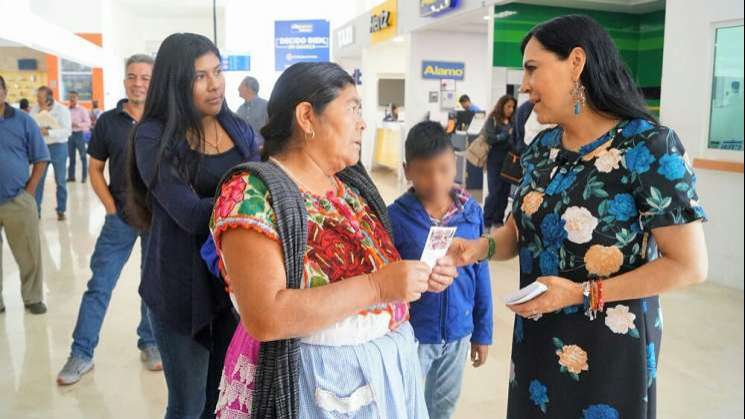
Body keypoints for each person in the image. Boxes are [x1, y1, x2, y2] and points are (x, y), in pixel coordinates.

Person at [446, 15, 709, 419]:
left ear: (576, 62)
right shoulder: (542, 148)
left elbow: (689, 266)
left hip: (610, 346)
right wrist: (481, 247)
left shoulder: (650, 146)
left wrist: (581, 294)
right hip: (537, 337)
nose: (526, 84)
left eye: (533, 68)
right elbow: (520, 228)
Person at [204, 62, 458, 417]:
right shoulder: (252, 192)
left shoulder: (350, 184)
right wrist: (378, 287)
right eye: (352, 108)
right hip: (319, 388)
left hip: (387, 376)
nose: (363, 122)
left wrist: (417, 276)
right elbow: (266, 316)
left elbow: (377, 267)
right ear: (307, 117)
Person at [128, 33, 260, 419]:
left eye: (217, 71)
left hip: (230, 285)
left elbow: (262, 186)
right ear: (176, 82)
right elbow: (188, 213)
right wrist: (245, 205)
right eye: (200, 76)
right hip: (179, 290)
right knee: (187, 405)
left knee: (221, 400)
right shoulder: (153, 135)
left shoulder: (238, 128)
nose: (215, 83)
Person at [57, 54, 161, 386]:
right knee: (100, 285)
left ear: (154, 81)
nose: (138, 83)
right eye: (132, 76)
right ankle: (81, 352)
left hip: (158, 219)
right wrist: (110, 208)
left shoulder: (163, 119)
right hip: (121, 218)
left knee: (152, 286)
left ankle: (150, 341)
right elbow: (95, 169)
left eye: (145, 77)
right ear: (124, 81)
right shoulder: (108, 122)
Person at [388, 121, 493, 419]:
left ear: (455, 164)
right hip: (413, 333)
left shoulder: (472, 214)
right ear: (407, 170)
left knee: (442, 407)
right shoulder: (395, 218)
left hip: (458, 333)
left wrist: (482, 332)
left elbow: (480, 274)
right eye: (423, 171)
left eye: (444, 169)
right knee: (404, 405)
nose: (435, 180)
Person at [0, 75, 49, 315]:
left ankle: (32, 297)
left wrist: (29, 192)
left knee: (29, 252)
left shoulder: (23, 121)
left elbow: (41, 157)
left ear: (5, 92)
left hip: (17, 199)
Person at [31, 85, 71, 220]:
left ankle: (61, 210)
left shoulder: (62, 110)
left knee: (60, 181)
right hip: (41, 148)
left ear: (49, 98)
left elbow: (67, 131)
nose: (38, 100)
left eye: (40, 97)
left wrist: (48, 131)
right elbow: (30, 125)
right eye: (37, 97)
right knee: (38, 180)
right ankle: (36, 210)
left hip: (59, 147)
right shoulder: (35, 108)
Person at [482, 95, 517, 229]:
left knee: (504, 191)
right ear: (501, 106)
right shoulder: (493, 119)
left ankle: (498, 219)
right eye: (508, 106)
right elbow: (489, 138)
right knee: (494, 191)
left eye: (512, 107)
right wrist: (505, 135)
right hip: (495, 160)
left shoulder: (513, 121)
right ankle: (486, 221)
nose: (510, 109)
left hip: (508, 161)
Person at [236, 75, 268, 148]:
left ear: (249, 89)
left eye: (241, 86)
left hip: (262, 153)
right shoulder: (240, 110)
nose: (238, 89)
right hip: (245, 152)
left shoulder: (266, 106)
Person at [67, 90, 92, 183]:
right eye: (70, 97)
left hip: (79, 134)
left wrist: (78, 124)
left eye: (73, 97)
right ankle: (71, 177)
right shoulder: (66, 110)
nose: (71, 99)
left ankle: (84, 176)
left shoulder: (82, 109)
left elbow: (88, 123)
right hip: (70, 135)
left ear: (77, 98)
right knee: (71, 157)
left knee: (83, 157)